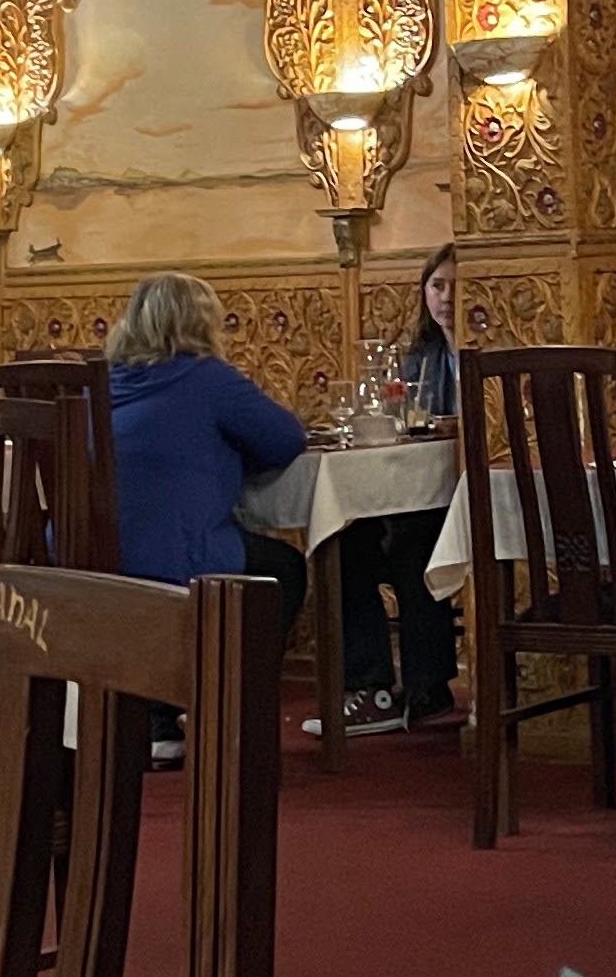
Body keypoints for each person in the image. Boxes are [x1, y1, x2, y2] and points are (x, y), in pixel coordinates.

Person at [103, 273, 309, 644]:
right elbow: (286, 439)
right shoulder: (208, 378)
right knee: (285, 569)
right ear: (202, 324)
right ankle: (234, 677)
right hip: (175, 553)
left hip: (91, 557)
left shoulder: (102, 382)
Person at [330, 240, 462, 738]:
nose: (446, 298)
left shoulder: (486, 355)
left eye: (456, 286)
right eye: (437, 286)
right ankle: (371, 685)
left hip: (467, 496)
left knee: (415, 545)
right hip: (414, 490)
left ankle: (429, 685)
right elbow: (403, 419)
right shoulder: (419, 359)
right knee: (346, 545)